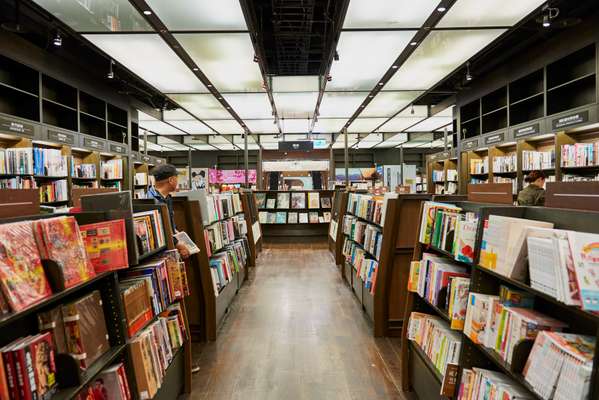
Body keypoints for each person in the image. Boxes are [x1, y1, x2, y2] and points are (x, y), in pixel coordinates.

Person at [147, 164, 190, 259]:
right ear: (171, 180)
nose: (177, 182)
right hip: (161, 252)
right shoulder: (152, 202)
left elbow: (169, 223)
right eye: (177, 178)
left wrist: (176, 233)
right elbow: (161, 229)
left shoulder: (167, 198)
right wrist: (178, 244)